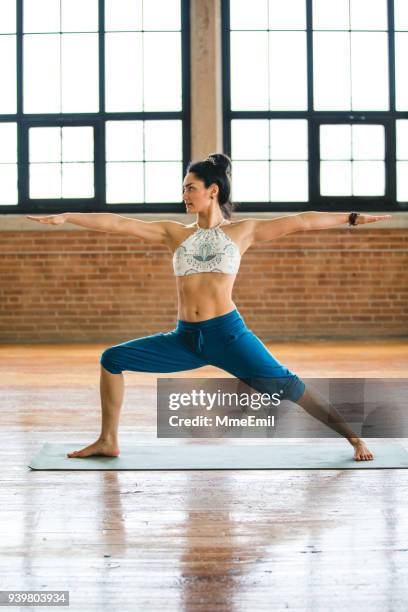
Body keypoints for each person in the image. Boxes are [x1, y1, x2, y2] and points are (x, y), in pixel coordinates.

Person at [26, 153, 392, 461]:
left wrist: (353, 218)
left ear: (211, 190)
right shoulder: (175, 233)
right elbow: (119, 224)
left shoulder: (241, 232)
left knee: (289, 386)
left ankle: (353, 437)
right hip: (185, 339)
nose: (185, 194)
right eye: (184, 188)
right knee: (112, 359)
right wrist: (68, 217)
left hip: (228, 335)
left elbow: (302, 222)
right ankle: (108, 440)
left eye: (190, 187)